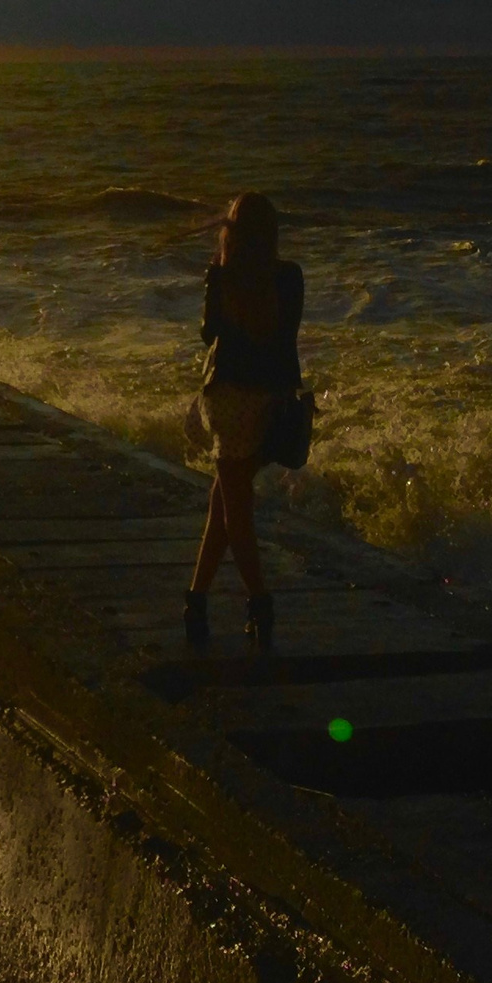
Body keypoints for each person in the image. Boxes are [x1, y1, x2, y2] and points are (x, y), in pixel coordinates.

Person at [185, 192, 302, 653]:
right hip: (269, 403)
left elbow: (208, 334)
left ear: (232, 234)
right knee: (226, 500)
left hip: (230, 400)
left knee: (234, 512)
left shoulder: (221, 274)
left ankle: (260, 601)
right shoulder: (289, 277)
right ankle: (195, 600)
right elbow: (285, 333)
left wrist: (221, 266)